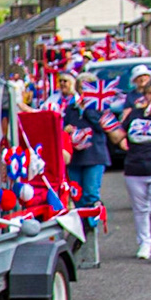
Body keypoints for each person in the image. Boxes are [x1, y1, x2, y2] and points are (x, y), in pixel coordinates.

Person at [104, 67, 151, 262]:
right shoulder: (134, 115)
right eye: (148, 93)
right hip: (135, 168)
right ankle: (144, 243)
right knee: (140, 209)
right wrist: (108, 125)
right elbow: (119, 137)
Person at [62, 73, 109, 216]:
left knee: (90, 194)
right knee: (77, 195)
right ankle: (80, 229)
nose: (84, 91)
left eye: (87, 87)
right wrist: (66, 130)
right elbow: (64, 127)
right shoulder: (71, 108)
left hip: (94, 155)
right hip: (75, 157)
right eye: (81, 87)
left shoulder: (101, 107)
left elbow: (104, 127)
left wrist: (89, 110)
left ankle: (91, 229)